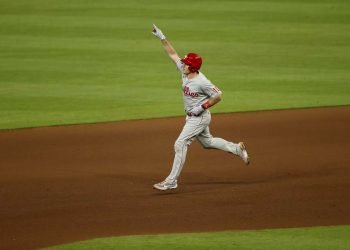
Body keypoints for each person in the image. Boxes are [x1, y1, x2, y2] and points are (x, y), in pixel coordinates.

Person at [151, 24, 249, 191]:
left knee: (180, 143)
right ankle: (236, 149)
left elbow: (218, 95)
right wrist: (162, 37)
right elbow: (173, 54)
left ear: (193, 68)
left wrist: (201, 107)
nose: (183, 64)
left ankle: (171, 181)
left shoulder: (202, 81)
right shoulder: (185, 71)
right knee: (207, 142)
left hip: (199, 117)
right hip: (194, 117)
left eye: (186, 64)